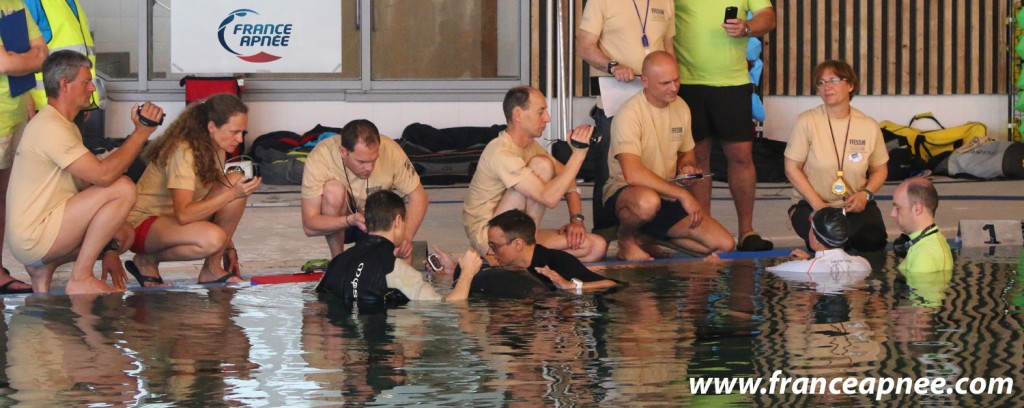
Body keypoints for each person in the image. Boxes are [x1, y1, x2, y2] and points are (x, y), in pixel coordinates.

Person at [6, 50, 162, 294]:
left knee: (122, 234)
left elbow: (88, 184)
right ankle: (81, 277)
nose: (92, 88)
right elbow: (104, 176)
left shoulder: (63, 125)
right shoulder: (51, 127)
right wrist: (141, 133)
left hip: (41, 234)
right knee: (122, 188)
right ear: (64, 84)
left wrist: (109, 249)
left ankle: (44, 269)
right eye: (86, 81)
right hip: (34, 237)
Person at [603, 51, 734, 261]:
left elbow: (687, 154)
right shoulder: (629, 114)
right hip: (627, 193)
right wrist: (682, 194)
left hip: (664, 192)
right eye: (665, 83)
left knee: (724, 245)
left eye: (676, 80)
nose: (673, 87)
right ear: (645, 81)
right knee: (647, 202)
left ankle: (648, 237)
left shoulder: (681, 106)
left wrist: (687, 168)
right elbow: (632, 174)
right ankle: (626, 238)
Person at [123, 93, 259, 286]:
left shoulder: (216, 145)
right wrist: (232, 194)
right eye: (234, 132)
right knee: (213, 238)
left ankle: (212, 268)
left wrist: (229, 248)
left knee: (236, 180)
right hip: (144, 224)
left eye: (242, 133)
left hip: (174, 221)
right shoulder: (184, 150)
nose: (239, 139)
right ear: (212, 127)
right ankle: (147, 261)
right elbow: (184, 215)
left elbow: (214, 200)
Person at [674, 0, 777, 251]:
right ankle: (703, 229)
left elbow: (768, 17)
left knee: (741, 155)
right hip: (686, 82)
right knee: (696, 157)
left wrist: (747, 27)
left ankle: (747, 231)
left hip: (733, 82)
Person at [463, 86, 607, 263]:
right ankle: (502, 256)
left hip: (523, 234)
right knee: (542, 165)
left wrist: (576, 220)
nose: (547, 118)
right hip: (491, 238)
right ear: (518, 114)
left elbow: (568, 180)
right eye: (541, 112)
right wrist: (579, 153)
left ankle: (525, 260)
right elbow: (548, 198)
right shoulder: (501, 152)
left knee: (596, 246)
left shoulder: (531, 146)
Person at [576, 0, 676, 231]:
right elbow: (585, 46)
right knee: (610, 168)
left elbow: (668, 48)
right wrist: (613, 66)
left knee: (654, 165)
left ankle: (648, 232)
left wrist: (673, 83)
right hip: (616, 96)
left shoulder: (666, 2)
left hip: (656, 97)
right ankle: (605, 232)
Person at [784, 60, 889, 253]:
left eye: (833, 80)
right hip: (811, 203)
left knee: (873, 241)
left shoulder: (868, 126)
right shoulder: (807, 121)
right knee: (828, 243)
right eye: (821, 83)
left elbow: (880, 169)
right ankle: (799, 218)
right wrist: (818, 205)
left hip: (853, 204)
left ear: (850, 85)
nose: (827, 87)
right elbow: (791, 168)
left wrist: (865, 195)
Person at [316, 190, 480, 302]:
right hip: (384, 345)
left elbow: (319, 298)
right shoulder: (396, 270)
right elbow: (450, 305)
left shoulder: (338, 262)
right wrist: (467, 272)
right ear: (398, 222)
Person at [301, 119, 428, 261]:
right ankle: (338, 261)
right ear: (343, 152)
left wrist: (406, 237)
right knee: (333, 190)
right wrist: (350, 220)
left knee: (402, 255)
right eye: (362, 162)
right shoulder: (320, 157)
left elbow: (419, 197)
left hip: (376, 219)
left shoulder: (391, 150)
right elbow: (309, 226)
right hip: (344, 222)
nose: (370, 168)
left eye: (374, 160)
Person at [0, 0, 48, 294]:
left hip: (14, 112)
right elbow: (5, 64)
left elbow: (44, 53)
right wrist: (27, 57)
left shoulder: (13, 1)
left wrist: (27, 58)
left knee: (3, 197)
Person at [483, 209, 617, 292]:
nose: (491, 251)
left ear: (518, 244)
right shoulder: (501, 265)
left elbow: (612, 284)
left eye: (494, 246)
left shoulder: (557, 261)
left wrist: (570, 286)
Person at [767, 207, 871, 277]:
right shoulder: (864, 264)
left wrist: (805, 262)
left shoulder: (801, 268)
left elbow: (769, 270)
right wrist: (809, 260)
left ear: (816, 240)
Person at [890, 177, 953, 273]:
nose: (892, 214)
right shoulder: (935, 240)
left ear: (917, 209)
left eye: (897, 207)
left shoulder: (923, 256)